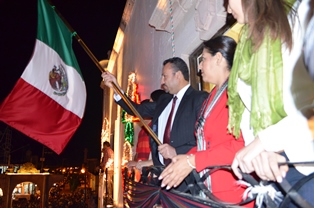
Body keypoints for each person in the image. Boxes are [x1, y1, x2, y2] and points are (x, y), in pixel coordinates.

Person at [226, 0, 314, 206]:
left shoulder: (302, 16)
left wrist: (267, 141)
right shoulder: (245, 45)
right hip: (273, 170)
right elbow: (250, 115)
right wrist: (260, 151)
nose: (228, 10)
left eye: (227, 1)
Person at [158, 36, 253, 206]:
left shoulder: (239, 91)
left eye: (203, 60)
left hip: (232, 190)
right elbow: (205, 144)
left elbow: (242, 145)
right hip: (209, 189)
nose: (199, 66)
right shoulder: (212, 97)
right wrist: (182, 159)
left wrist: (192, 161)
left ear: (218, 59)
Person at [102, 57, 208, 191]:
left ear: (178, 75)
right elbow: (136, 109)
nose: (162, 81)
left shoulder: (199, 99)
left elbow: (206, 139)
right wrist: (115, 87)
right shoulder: (164, 100)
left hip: (187, 179)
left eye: (165, 76)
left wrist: (177, 151)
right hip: (163, 178)